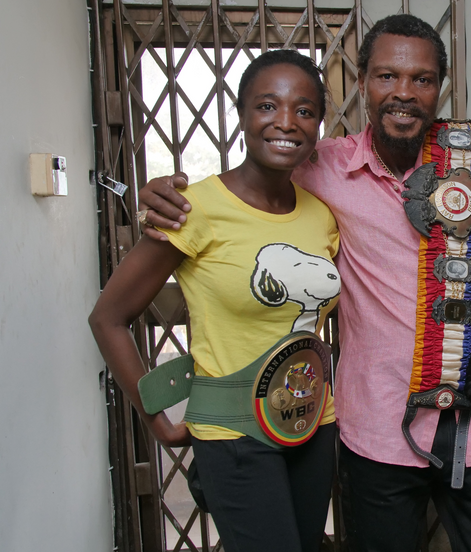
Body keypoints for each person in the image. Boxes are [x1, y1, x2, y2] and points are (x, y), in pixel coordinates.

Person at [136, 14, 471, 552]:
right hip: (375, 433)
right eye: (387, 76)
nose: (403, 93)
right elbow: (250, 185)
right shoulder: (321, 167)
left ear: (441, 87)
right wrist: (165, 196)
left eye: (422, 80)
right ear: (362, 82)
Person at [89, 50, 341, 552]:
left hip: (313, 426)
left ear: (319, 125)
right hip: (232, 434)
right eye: (267, 106)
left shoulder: (321, 214)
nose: (286, 123)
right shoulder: (194, 207)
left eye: (305, 111)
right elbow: (109, 319)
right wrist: (155, 419)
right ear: (242, 114)